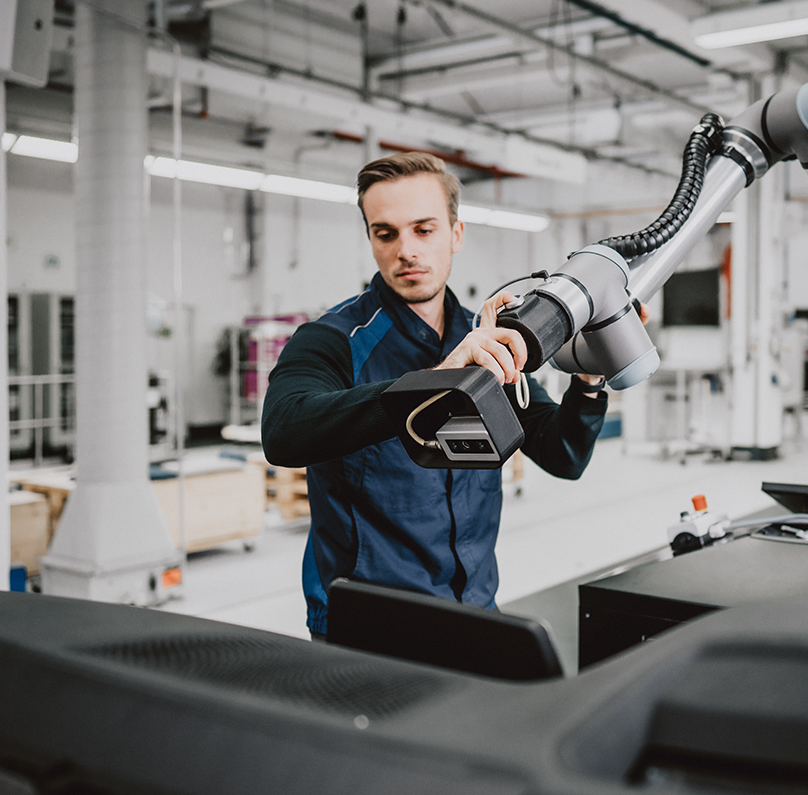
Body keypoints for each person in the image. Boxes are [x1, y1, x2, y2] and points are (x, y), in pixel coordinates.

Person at [262, 152, 612, 636]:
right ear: (371, 240)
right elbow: (283, 432)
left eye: (423, 229)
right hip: (368, 624)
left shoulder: (485, 338)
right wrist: (438, 382)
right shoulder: (333, 340)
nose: (406, 249)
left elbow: (563, 455)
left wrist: (588, 380)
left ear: (456, 234)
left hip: (474, 611)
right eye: (386, 233)